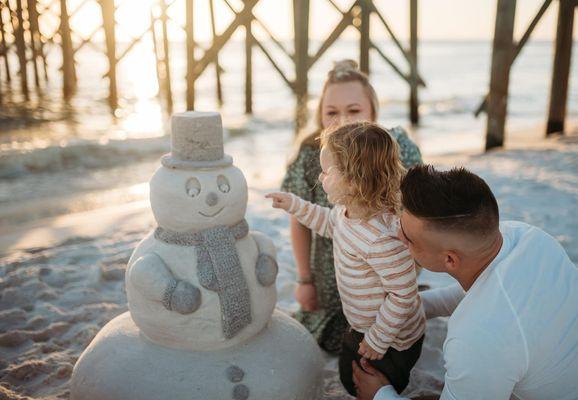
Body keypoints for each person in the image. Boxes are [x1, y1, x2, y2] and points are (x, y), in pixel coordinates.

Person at [352, 165, 578, 400]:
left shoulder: (476, 337)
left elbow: (491, 317)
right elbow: (483, 294)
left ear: (450, 259)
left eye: (407, 238)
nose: (398, 237)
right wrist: (416, 305)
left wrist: (380, 394)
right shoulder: (529, 237)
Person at [267, 121, 425, 396]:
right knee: (347, 374)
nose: (321, 176)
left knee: (369, 383)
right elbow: (327, 222)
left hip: (395, 338)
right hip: (365, 325)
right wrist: (293, 204)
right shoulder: (345, 212)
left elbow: (404, 294)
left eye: (328, 171)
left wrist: (377, 340)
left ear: (354, 180)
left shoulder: (382, 238)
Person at [281, 59, 422, 354]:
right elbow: (302, 221)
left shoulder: (396, 147)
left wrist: (409, 272)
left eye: (354, 111)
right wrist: (305, 280)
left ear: (373, 111)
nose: (342, 121)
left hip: (383, 273)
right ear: (320, 115)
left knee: (386, 339)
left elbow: (418, 214)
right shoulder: (311, 155)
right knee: (335, 341)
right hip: (331, 274)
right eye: (332, 112)